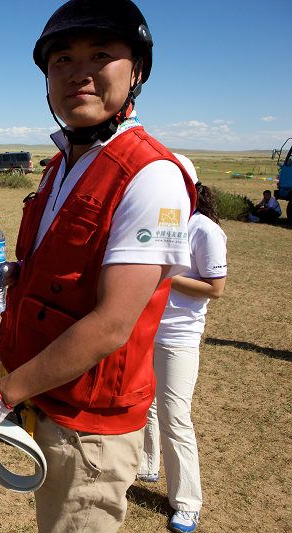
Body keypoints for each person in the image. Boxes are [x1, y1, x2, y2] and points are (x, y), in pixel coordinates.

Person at [0, 1, 197, 531]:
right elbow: (71, 267)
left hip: (90, 425)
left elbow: (112, 324)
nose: (77, 72)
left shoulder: (151, 176)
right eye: (61, 59)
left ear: (137, 71)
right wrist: (17, 274)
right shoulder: (65, 164)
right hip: (50, 399)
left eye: (100, 55)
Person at [137, 154, 227, 533]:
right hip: (146, 328)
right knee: (146, 404)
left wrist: (165, 275)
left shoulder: (204, 229)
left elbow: (215, 289)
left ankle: (187, 502)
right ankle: (146, 464)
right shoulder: (167, 221)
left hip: (179, 337)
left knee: (175, 416)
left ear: (190, 188)